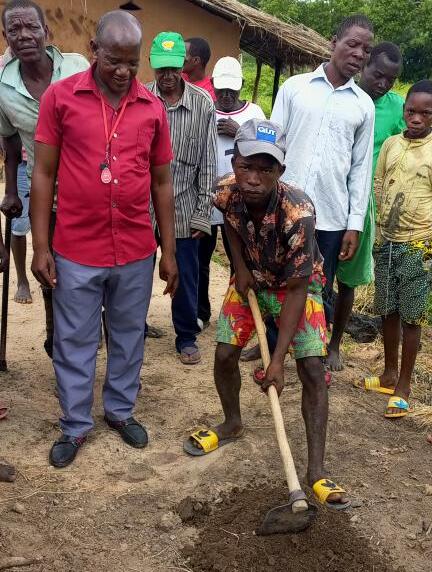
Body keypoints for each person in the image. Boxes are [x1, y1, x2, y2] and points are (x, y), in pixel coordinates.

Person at [31, 10, 178, 468]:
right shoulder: (60, 98)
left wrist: (169, 251)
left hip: (134, 248)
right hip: (76, 248)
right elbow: (43, 173)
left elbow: (162, 184)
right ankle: (75, 425)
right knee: (74, 339)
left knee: (129, 334)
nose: (123, 72)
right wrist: (40, 246)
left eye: (132, 63)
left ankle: (119, 410)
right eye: (114, 60)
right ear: (94, 50)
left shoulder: (152, 108)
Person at [184, 119, 350, 510]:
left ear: (281, 171)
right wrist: (239, 266)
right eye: (246, 166)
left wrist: (276, 361)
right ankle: (232, 423)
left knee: (312, 368)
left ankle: (316, 471)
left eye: (265, 169)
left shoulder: (299, 213)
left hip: (298, 285)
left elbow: (296, 291)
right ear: (234, 162)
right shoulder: (225, 191)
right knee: (224, 353)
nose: (253, 178)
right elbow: (230, 223)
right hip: (252, 278)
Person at [270, 15, 375, 371]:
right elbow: (274, 146)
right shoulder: (295, 88)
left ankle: (311, 355)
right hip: (284, 209)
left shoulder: (363, 105)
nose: (359, 54)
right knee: (276, 278)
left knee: (319, 287)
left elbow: (360, 169)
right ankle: (272, 345)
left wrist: (354, 224)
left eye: (366, 49)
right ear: (334, 42)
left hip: (330, 216)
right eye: (353, 44)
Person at [0, 0, 89, 357]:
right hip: (47, 198)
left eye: (31, 27)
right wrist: (11, 190)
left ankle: (102, 339)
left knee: (98, 272)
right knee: (51, 272)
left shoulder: (78, 68)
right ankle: (57, 342)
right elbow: (9, 141)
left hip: (94, 192)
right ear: (6, 37)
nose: (23, 35)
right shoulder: (3, 88)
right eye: (14, 30)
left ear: (46, 32)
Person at [334, 42, 405, 374]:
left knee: (348, 280)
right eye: (378, 75)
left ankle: (334, 345)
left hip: (364, 206)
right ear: (364, 66)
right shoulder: (343, 97)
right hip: (330, 197)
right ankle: (284, 338)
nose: (383, 84)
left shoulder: (398, 108)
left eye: (390, 79)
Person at [148, 31, 217, 365]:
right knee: (135, 275)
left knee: (185, 276)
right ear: (153, 66)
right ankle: (133, 327)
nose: (167, 75)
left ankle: (186, 335)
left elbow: (208, 163)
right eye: (161, 69)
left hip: (184, 206)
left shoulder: (202, 104)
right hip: (141, 208)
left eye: (173, 68)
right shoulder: (140, 98)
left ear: (182, 67)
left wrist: (203, 212)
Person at [367, 80, 432, 418]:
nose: (416, 118)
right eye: (411, 111)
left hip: (418, 245)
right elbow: (379, 183)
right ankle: (389, 374)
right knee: (387, 310)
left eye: (425, 113)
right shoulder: (392, 144)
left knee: (411, 317)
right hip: (386, 242)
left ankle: (404, 386)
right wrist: (380, 230)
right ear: (404, 111)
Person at [197, 56, 265, 329]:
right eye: (221, 89)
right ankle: (201, 312)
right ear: (213, 84)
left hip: (241, 201)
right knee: (201, 258)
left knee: (241, 259)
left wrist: (240, 134)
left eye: (232, 90)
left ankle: (237, 312)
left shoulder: (254, 113)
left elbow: (266, 152)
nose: (226, 95)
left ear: (242, 86)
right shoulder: (204, 109)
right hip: (206, 198)